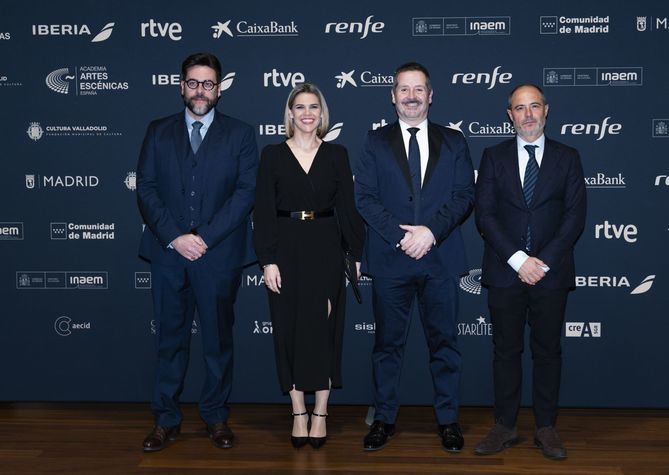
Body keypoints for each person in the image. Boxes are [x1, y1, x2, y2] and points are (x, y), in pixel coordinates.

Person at [136, 52, 258, 452]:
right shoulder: (158, 131)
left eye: (208, 83)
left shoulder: (240, 134)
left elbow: (244, 195)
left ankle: (216, 417)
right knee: (169, 340)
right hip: (169, 253)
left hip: (218, 255)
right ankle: (166, 419)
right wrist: (176, 236)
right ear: (181, 86)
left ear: (219, 89)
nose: (200, 90)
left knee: (217, 341)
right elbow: (147, 189)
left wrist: (203, 237)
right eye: (193, 82)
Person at [355, 62, 475, 452]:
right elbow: (365, 199)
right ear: (392, 96)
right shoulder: (375, 142)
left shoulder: (454, 141)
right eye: (403, 89)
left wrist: (430, 233)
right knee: (387, 346)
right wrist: (400, 237)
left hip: (439, 259)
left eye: (418, 89)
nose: (411, 96)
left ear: (430, 95)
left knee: (445, 344)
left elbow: (463, 197)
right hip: (392, 261)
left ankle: (448, 420)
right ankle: (384, 419)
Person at [474, 84, 586, 460]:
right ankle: (504, 426)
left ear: (546, 110)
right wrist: (519, 260)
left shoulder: (568, 157)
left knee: (548, 351)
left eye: (533, 106)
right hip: (506, 272)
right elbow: (485, 215)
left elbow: (574, 217)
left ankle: (546, 427)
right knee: (505, 351)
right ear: (510, 115)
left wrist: (542, 262)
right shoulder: (493, 156)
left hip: (551, 274)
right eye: (519, 108)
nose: (527, 114)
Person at [253, 83, 364, 449]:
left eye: (313, 107)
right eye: (299, 107)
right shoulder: (272, 155)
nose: (306, 113)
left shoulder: (337, 154)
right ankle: (298, 412)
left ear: (322, 113)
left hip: (326, 249)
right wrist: (267, 259)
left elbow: (348, 209)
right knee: (290, 331)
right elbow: (264, 212)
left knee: (324, 330)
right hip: (284, 249)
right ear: (289, 113)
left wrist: (356, 254)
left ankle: (321, 413)